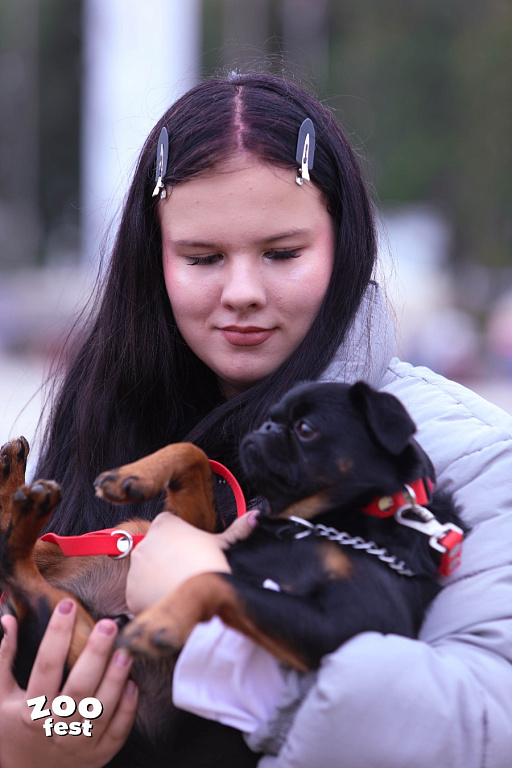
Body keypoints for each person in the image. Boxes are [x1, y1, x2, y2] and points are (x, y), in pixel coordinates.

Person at [1, 70, 512, 767]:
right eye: (203, 257)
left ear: (345, 241)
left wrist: (212, 606)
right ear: (154, 262)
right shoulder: (105, 409)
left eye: (282, 254)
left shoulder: (472, 457)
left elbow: (484, 732)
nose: (241, 292)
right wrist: (33, 745)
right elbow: (86, 711)